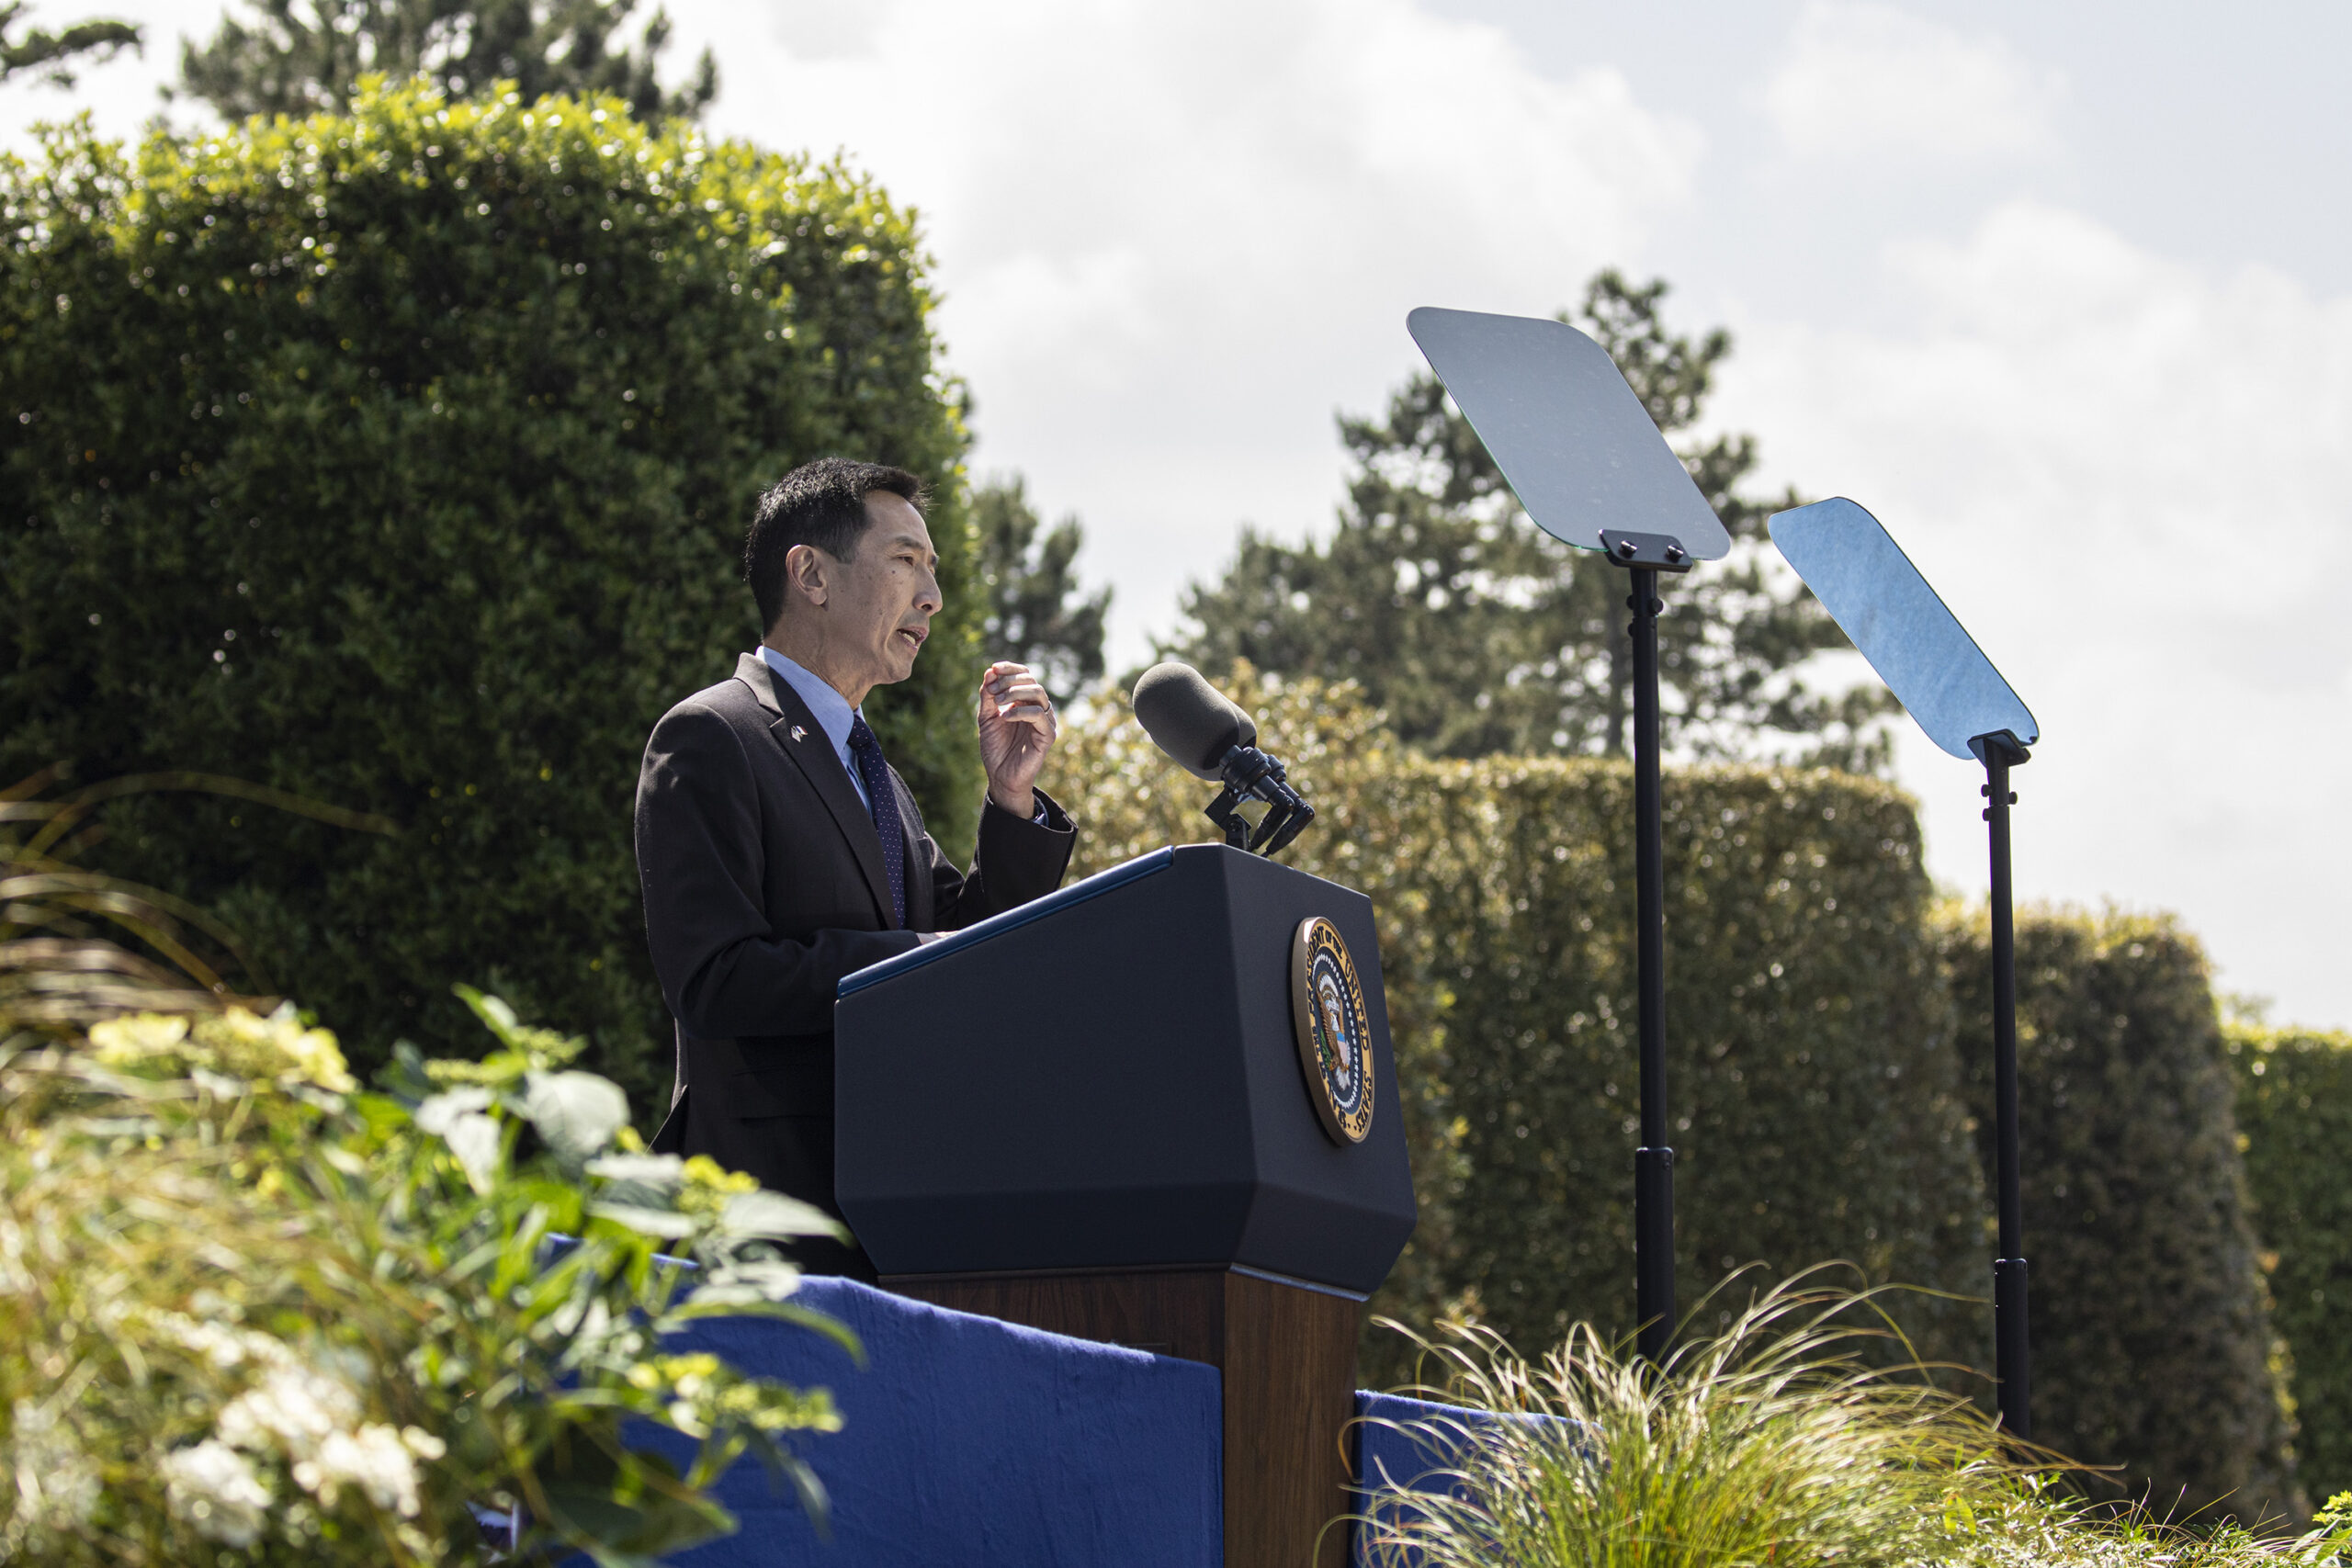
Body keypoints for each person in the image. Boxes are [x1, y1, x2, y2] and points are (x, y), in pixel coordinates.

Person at [634, 457, 1075, 1277]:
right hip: (768, 1226)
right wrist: (914, 963)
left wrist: (1011, 800)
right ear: (811, 574)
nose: (932, 599)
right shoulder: (709, 735)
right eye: (905, 561)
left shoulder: (878, 778)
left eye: (933, 573)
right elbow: (716, 979)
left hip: (899, 1217)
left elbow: (973, 942)